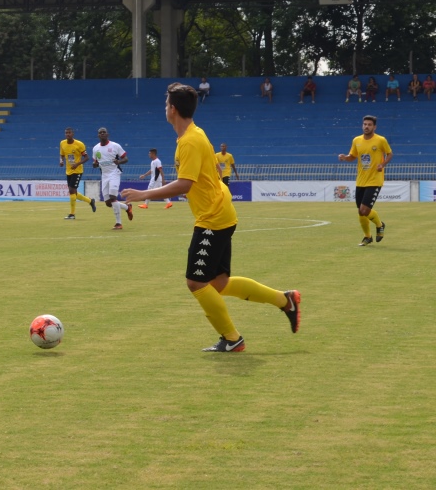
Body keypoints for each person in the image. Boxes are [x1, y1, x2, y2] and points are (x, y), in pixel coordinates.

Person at [121, 83, 301, 353]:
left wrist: (144, 195)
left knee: (196, 282)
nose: (165, 107)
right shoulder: (192, 135)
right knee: (218, 283)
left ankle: (232, 338)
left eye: (166, 102)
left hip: (213, 219)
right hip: (219, 213)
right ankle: (285, 300)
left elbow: (184, 185)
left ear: (172, 109)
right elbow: (209, 171)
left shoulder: (191, 141)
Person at [338, 114, 392, 246]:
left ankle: (380, 225)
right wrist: (345, 157)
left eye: (369, 125)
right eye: (365, 124)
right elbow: (353, 156)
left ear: (374, 127)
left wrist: (382, 164)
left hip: (375, 179)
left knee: (364, 210)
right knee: (360, 212)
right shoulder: (356, 140)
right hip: (361, 180)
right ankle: (367, 237)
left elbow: (390, 153)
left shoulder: (380, 140)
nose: (366, 127)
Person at [92, 126, 133, 230]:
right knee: (108, 203)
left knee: (113, 197)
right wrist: (95, 164)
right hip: (104, 175)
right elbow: (95, 162)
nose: (102, 134)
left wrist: (118, 161)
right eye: (100, 133)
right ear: (98, 135)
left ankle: (118, 223)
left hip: (114, 173)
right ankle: (127, 207)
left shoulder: (115, 146)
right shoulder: (95, 148)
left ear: (107, 134)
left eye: (104, 132)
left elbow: (126, 158)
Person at [59, 127, 96, 220]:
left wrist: (77, 164)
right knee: (73, 192)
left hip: (77, 171)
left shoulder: (79, 144)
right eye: (66, 133)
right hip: (68, 170)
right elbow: (62, 154)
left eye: (69, 133)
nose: (67, 134)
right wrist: (61, 161)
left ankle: (72, 214)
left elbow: (86, 157)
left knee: (71, 191)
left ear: (73, 134)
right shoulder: (62, 143)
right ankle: (90, 201)